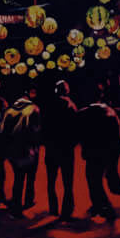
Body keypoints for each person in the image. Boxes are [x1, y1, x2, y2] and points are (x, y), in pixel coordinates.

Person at [42, 80, 80, 219]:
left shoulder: (48, 106)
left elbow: (43, 127)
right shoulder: (71, 106)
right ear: (67, 91)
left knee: (51, 181)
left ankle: (53, 209)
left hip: (51, 148)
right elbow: (76, 129)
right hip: (66, 150)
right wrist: (71, 144)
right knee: (67, 182)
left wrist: (46, 143)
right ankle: (66, 210)